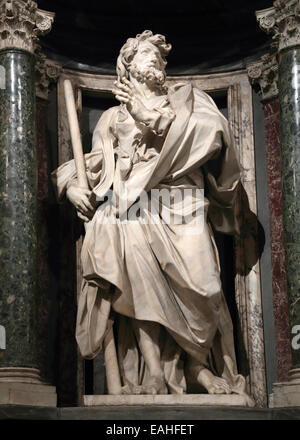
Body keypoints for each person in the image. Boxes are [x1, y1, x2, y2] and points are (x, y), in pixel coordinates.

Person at [52, 30, 250, 398]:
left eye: (160, 55)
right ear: (128, 64)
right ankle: (155, 373)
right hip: (136, 210)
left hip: (184, 204)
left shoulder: (190, 101)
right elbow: (95, 166)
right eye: (147, 53)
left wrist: (150, 116)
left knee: (205, 286)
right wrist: (72, 187)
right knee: (141, 290)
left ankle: (196, 366)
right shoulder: (112, 118)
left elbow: (214, 135)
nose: (156, 58)